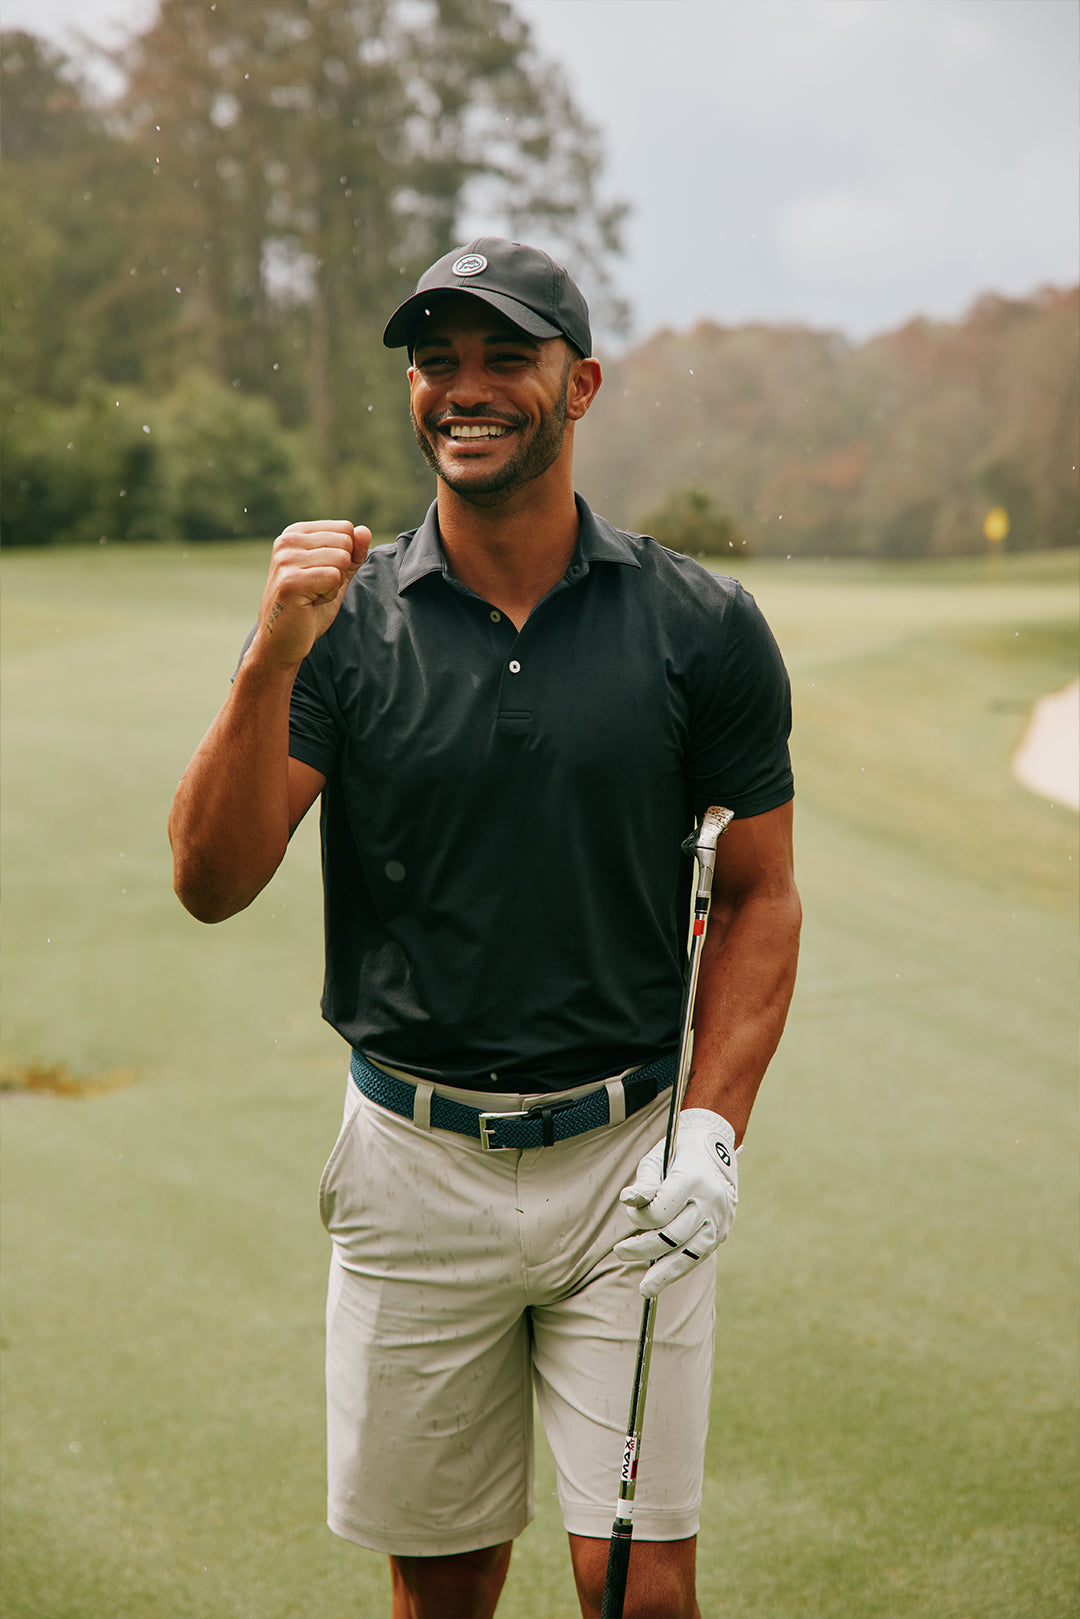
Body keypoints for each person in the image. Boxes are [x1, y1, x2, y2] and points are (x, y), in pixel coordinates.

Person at [169, 237, 801, 1619]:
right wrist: (272, 653)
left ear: (578, 384)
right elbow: (212, 878)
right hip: (411, 1165)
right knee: (443, 1592)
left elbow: (759, 892)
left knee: (637, 1591)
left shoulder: (701, 628)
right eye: (435, 359)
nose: (465, 387)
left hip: (629, 1166)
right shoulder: (345, 629)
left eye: (503, 357)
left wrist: (712, 1127)